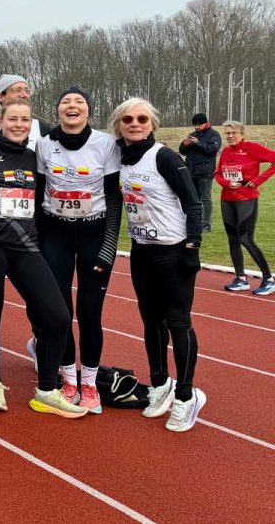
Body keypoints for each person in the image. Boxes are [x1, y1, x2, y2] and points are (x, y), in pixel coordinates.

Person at [0, 101, 86, 418]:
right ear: (0, 120)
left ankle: (46, 390)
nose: (19, 124)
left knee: (58, 317)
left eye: (24, 120)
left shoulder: (36, 159)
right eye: (13, 119)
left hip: (26, 247)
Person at [113, 98, 206, 432]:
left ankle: (186, 395)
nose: (135, 123)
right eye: (128, 119)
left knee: (178, 322)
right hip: (142, 251)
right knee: (151, 320)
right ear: (119, 126)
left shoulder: (164, 157)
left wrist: (192, 246)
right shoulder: (120, 159)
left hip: (173, 250)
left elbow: (194, 204)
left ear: (151, 124)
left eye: (142, 118)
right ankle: (159, 383)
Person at [35, 87, 121, 412]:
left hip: (94, 233)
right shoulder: (44, 144)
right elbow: (40, 193)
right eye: (66, 102)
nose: (72, 106)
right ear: (57, 110)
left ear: (88, 111)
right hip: (55, 232)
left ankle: (90, 383)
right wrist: (37, 239)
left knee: (89, 312)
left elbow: (114, 198)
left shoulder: (105, 144)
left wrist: (109, 244)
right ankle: (68, 377)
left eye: (79, 102)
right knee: (60, 311)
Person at [214, 120, 275, 295]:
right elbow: (218, 174)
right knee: (233, 239)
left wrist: (257, 180)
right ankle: (240, 278)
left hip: (246, 199)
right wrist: (226, 182)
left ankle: (269, 279)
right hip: (227, 199)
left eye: (234, 133)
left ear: (242, 134)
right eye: (227, 133)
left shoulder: (252, 148)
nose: (230, 136)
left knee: (246, 239)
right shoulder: (225, 151)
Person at [0, 75, 53, 153]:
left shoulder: (43, 128)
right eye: (17, 90)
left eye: (27, 91)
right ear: (1, 97)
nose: (24, 95)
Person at [179, 113, 220, 233]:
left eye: (199, 125)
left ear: (206, 123)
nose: (197, 127)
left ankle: (206, 224)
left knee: (206, 199)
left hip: (205, 173)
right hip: (191, 172)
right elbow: (183, 151)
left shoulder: (214, 135)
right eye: (195, 125)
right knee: (193, 199)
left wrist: (198, 143)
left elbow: (212, 150)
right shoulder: (192, 135)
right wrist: (184, 145)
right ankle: (195, 222)